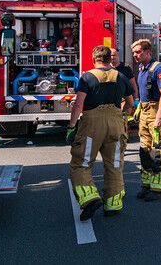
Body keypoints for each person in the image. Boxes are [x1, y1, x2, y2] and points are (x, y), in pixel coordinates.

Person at [67, 45, 135, 220]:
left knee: (81, 162)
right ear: (109, 59)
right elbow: (130, 102)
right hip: (116, 122)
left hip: (92, 124)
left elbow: (78, 104)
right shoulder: (120, 76)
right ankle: (113, 205)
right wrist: (123, 116)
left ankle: (89, 198)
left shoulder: (88, 77)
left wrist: (72, 126)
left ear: (94, 59)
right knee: (114, 164)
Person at [132, 39, 161, 201]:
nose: (135, 55)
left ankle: (158, 189)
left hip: (157, 114)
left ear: (148, 52)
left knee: (158, 152)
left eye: (138, 52)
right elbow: (144, 92)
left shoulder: (158, 68)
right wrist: (139, 108)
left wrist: (158, 118)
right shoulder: (143, 68)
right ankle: (147, 185)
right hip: (145, 112)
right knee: (145, 151)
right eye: (134, 53)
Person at [111, 48, 139, 122]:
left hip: (125, 98)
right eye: (110, 55)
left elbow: (133, 84)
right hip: (112, 99)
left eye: (114, 55)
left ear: (118, 56)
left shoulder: (125, 68)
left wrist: (136, 99)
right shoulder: (107, 68)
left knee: (123, 121)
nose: (112, 57)